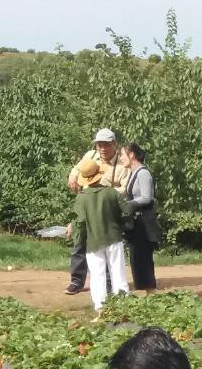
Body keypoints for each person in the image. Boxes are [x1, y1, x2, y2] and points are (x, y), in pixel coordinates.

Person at [64, 128, 130, 295]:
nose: (102, 148)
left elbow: (126, 188)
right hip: (86, 205)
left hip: (106, 209)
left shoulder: (122, 165)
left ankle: (108, 285)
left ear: (114, 144)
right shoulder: (91, 156)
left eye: (106, 145)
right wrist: (72, 176)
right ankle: (77, 281)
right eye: (99, 144)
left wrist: (107, 193)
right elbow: (76, 169)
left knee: (104, 245)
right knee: (80, 242)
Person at [72, 159, 131, 319]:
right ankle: (123, 306)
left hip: (93, 242)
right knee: (118, 272)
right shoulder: (112, 192)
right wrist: (121, 225)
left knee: (97, 276)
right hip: (114, 237)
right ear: (99, 175)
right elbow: (126, 211)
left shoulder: (81, 198)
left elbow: (81, 223)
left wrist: (79, 240)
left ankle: (101, 310)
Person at [120, 142, 162, 291]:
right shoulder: (133, 172)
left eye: (122, 155)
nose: (120, 158)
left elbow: (147, 197)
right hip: (136, 223)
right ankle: (142, 291)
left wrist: (128, 205)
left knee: (143, 259)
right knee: (136, 259)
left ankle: (149, 291)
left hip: (144, 223)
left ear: (131, 154)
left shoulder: (143, 173)